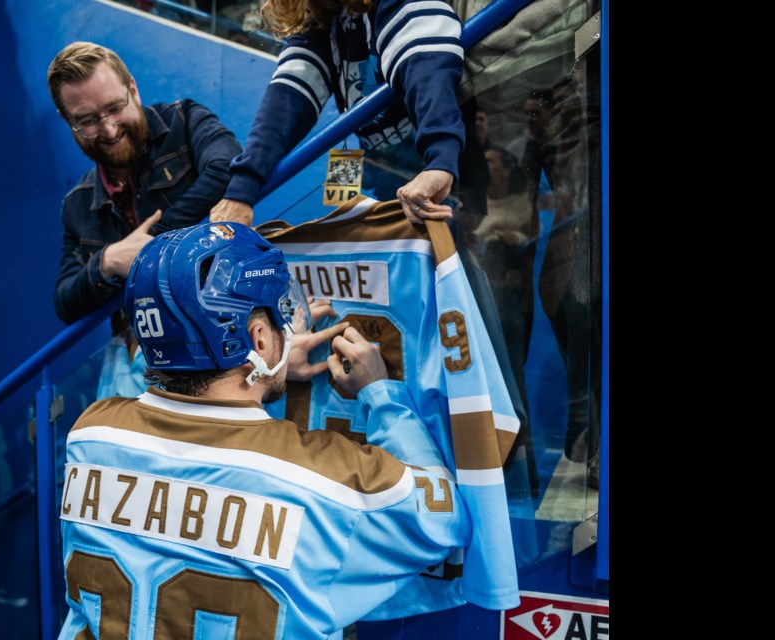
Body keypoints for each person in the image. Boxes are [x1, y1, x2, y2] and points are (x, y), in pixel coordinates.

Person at [56, 221, 518, 639]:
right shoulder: (324, 478)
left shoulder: (89, 434)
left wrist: (261, 372)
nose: (289, 325)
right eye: (281, 317)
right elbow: (443, 519)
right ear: (258, 339)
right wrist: (380, 393)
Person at [209, 0, 468, 227]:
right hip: (394, 178)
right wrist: (241, 191)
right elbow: (288, 96)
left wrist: (441, 157)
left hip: (446, 172)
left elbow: (425, 64)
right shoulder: (324, 15)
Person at [47, 41, 243, 326]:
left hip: (227, 312)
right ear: (66, 119)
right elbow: (65, 304)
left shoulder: (185, 121)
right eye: (87, 120)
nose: (109, 129)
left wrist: (149, 246)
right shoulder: (76, 204)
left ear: (133, 90)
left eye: (115, 107)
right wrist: (109, 259)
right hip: (146, 346)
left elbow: (229, 167)